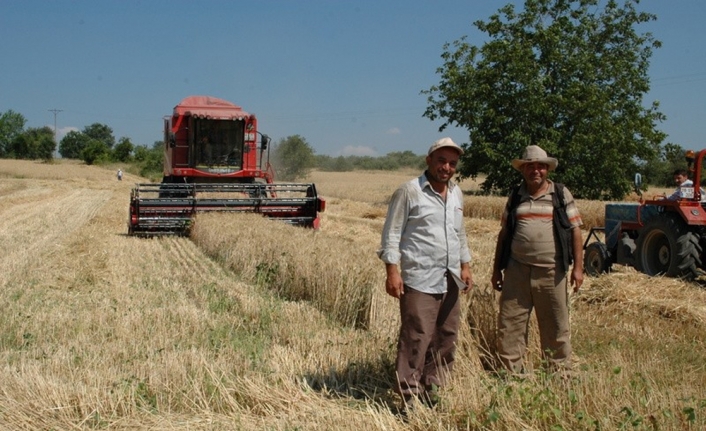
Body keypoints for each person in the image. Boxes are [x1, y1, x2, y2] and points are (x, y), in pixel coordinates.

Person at [377, 137, 473, 409]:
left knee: (445, 337)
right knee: (416, 337)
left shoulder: (456, 193)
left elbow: (459, 232)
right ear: (429, 160)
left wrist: (465, 265)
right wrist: (392, 272)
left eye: (452, 163)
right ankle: (408, 398)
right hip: (419, 277)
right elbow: (392, 234)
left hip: (450, 277)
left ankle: (434, 391)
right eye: (441, 160)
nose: (447, 167)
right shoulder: (409, 191)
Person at [490, 145, 584, 374]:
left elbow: (576, 231)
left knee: (556, 326)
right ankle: (510, 374)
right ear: (523, 170)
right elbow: (504, 234)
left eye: (540, 166)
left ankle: (560, 374)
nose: (536, 171)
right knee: (510, 324)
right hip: (516, 271)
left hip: (552, 272)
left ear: (547, 170)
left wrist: (578, 269)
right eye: (530, 166)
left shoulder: (560, 194)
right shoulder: (516, 196)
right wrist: (496, 270)